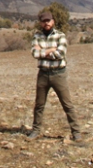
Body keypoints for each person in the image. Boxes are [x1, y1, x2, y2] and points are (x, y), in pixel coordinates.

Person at [30, 11, 82, 141]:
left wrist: (43, 52)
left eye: (48, 21)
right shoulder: (37, 35)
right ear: (41, 23)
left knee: (67, 104)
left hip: (58, 74)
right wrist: (51, 50)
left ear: (53, 21)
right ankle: (35, 130)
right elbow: (34, 53)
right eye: (44, 21)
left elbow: (60, 54)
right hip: (43, 74)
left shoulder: (60, 36)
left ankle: (76, 132)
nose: (46, 23)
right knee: (39, 104)